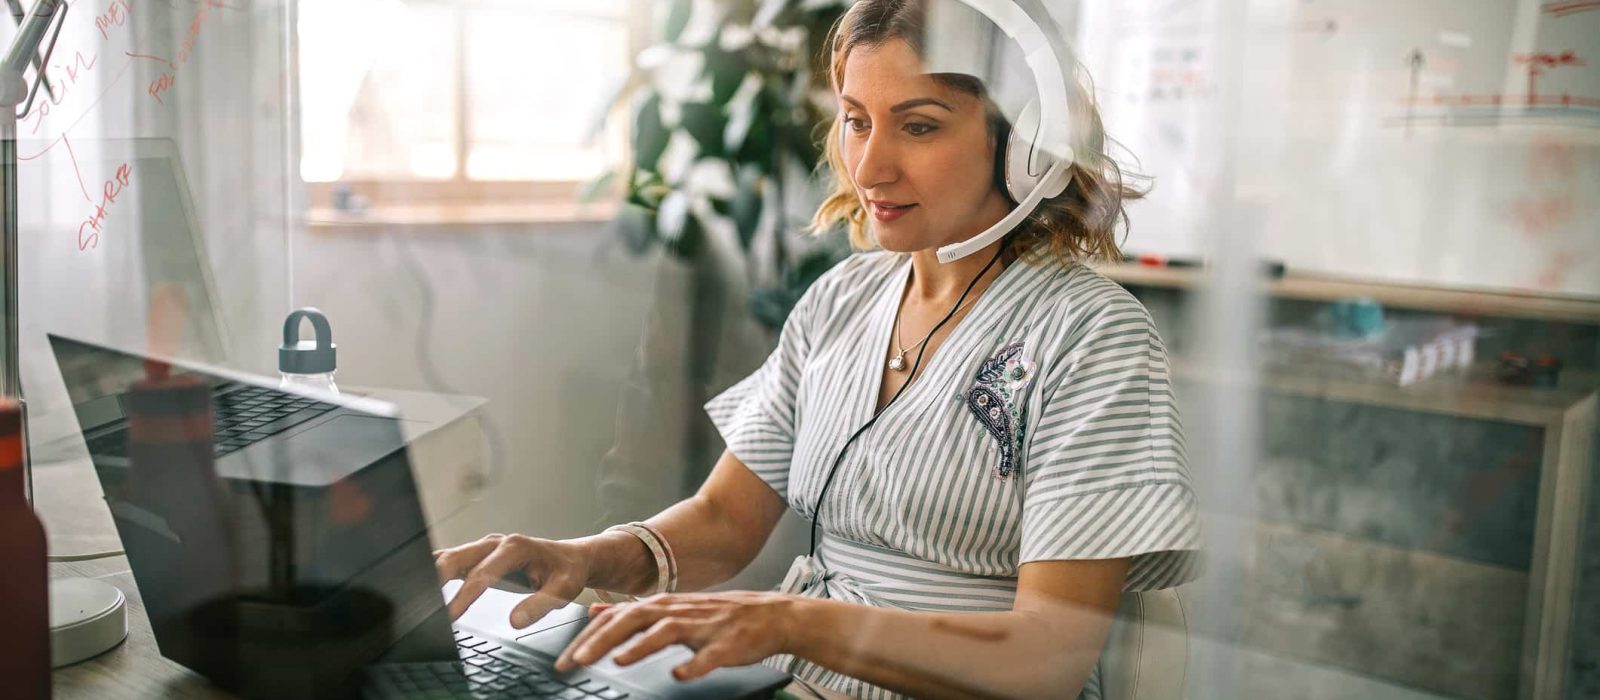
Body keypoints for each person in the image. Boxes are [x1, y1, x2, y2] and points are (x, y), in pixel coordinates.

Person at [433, 0, 1200, 697]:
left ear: (1029, 146)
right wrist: (586, 559)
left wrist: (792, 623)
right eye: (857, 120)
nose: (869, 167)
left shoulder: (1094, 336)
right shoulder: (842, 298)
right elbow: (725, 521)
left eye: (920, 124)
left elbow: (1047, 657)